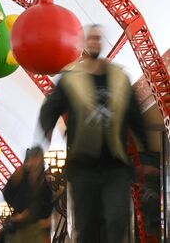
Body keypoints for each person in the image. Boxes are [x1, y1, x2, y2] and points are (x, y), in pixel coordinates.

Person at [38, 24, 149, 243]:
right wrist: (47, 130)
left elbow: (135, 113)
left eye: (98, 38)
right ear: (83, 44)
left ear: (103, 43)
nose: (95, 42)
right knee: (86, 224)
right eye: (91, 39)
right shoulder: (70, 78)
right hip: (83, 166)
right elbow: (51, 106)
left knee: (117, 219)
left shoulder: (119, 77)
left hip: (115, 165)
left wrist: (146, 155)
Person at [1, 146, 53, 243]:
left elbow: (49, 202)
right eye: (34, 158)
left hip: (37, 228)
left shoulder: (44, 181)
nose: (36, 162)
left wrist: (46, 219)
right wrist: (21, 211)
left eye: (38, 158)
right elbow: (7, 194)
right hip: (21, 227)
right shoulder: (20, 176)